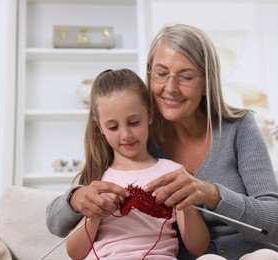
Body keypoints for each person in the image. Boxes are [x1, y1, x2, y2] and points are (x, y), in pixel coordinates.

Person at [46, 24, 278, 260]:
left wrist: (211, 194)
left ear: (206, 82)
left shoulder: (238, 127)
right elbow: (56, 224)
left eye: (185, 76)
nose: (170, 87)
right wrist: (77, 198)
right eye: (161, 73)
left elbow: (276, 224)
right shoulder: (138, 142)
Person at [65, 68, 209, 259]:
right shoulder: (97, 179)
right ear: (99, 127)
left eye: (133, 122)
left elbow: (199, 248)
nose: (126, 135)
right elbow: (74, 253)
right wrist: (95, 214)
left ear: (149, 114)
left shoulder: (173, 174)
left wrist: (186, 206)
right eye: (113, 127)